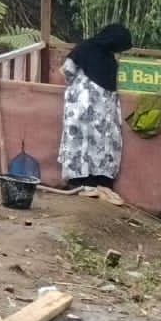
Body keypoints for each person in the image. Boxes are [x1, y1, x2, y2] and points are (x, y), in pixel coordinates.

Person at [59, 23, 132, 197]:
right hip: (101, 109)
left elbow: (67, 71)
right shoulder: (109, 59)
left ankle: (82, 180)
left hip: (81, 106)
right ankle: (97, 180)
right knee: (102, 142)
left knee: (81, 141)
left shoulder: (84, 48)